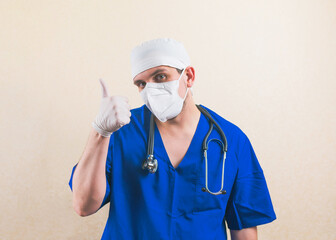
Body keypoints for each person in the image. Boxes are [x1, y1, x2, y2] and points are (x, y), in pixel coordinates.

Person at [68, 38, 276, 240]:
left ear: (189, 76)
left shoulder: (231, 141)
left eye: (160, 77)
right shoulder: (120, 132)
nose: (150, 89)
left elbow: (244, 230)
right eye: (141, 83)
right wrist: (100, 132)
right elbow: (84, 205)